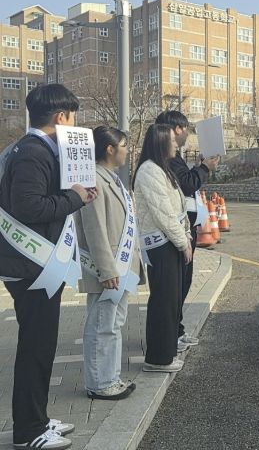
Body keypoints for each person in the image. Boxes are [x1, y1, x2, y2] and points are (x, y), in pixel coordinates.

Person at [0, 84, 97, 450]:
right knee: (36, 348)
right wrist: (74, 197)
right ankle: (29, 431)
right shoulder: (33, 153)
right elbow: (29, 207)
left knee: (40, 345)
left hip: (35, 265)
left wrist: (76, 195)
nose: (74, 123)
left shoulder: (30, 149)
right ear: (61, 117)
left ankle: (37, 418)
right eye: (73, 116)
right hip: (32, 267)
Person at [75, 126, 145, 400]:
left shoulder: (112, 179)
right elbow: (94, 228)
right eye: (124, 146)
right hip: (108, 269)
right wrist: (106, 269)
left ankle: (111, 378)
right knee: (102, 325)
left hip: (121, 267)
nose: (127, 151)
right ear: (109, 148)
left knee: (114, 324)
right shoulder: (92, 179)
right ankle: (100, 383)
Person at [155, 110, 219, 352]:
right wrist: (204, 168)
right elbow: (187, 184)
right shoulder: (167, 159)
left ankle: (177, 330)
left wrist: (199, 167)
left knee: (182, 283)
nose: (186, 135)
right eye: (185, 129)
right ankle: (170, 336)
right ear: (176, 129)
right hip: (175, 234)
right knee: (174, 288)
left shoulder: (173, 158)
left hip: (185, 230)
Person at [133, 123, 192, 373]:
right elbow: (164, 214)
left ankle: (166, 353)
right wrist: (183, 242)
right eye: (172, 140)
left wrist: (185, 236)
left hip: (170, 243)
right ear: (160, 143)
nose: (176, 144)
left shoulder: (161, 168)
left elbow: (178, 209)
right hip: (160, 245)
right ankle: (158, 358)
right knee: (163, 301)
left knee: (171, 299)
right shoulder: (149, 171)